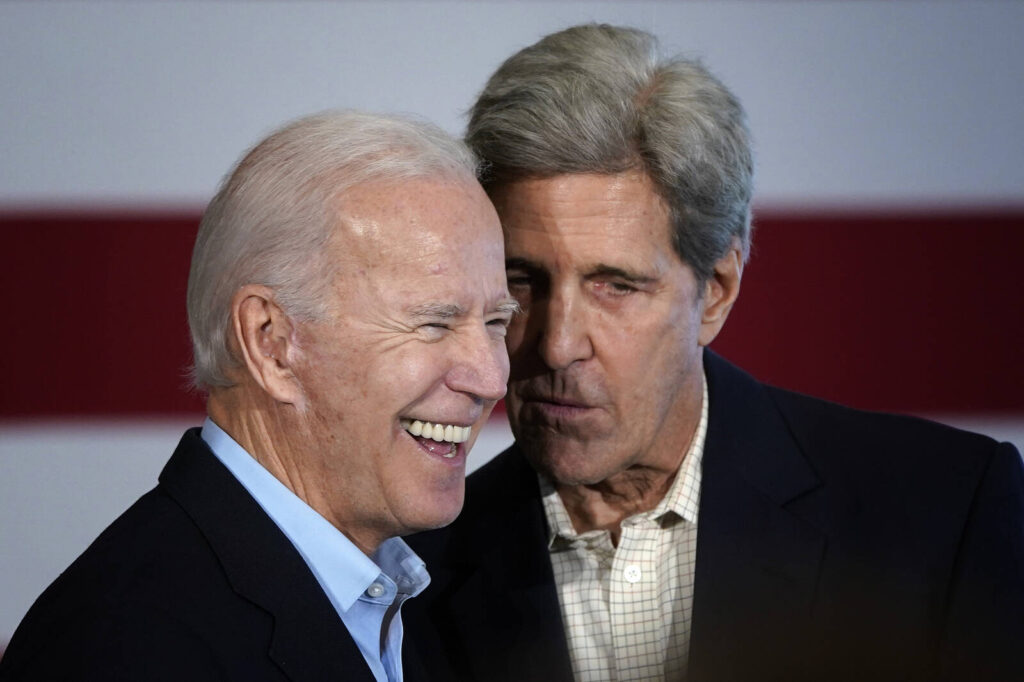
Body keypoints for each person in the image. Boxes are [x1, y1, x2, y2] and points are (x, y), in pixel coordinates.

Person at [402, 24, 1024, 682]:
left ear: (718, 291)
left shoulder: (944, 514)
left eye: (616, 286)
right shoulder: (410, 574)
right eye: (523, 281)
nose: (556, 345)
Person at [0, 111, 516, 681]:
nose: (491, 379)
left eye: (496, 321)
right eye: (434, 325)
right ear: (271, 344)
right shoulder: (125, 648)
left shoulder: (420, 608)